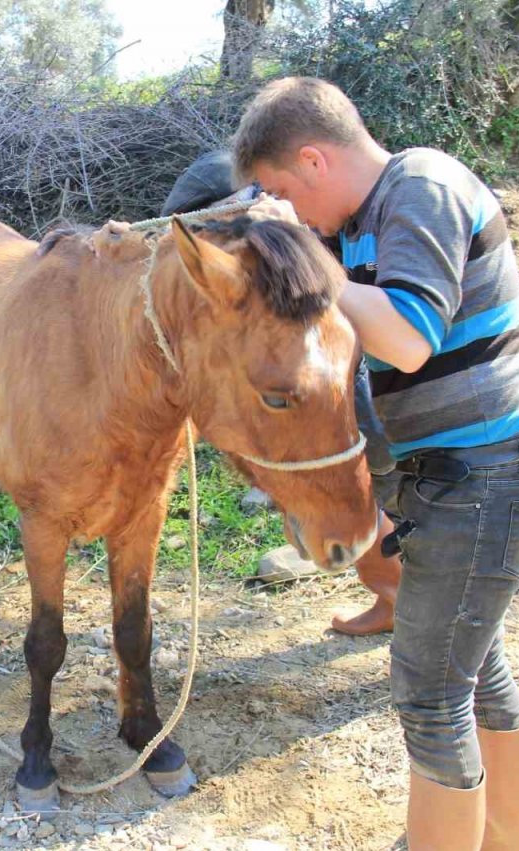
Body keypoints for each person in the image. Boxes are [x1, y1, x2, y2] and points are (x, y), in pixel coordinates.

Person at [233, 77, 519, 851]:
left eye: (286, 191)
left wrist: (316, 266)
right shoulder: (361, 225)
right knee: (474, 673)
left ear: (314, 160)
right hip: (466, 474)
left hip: (490, 470)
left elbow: (408, 336)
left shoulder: (420, 187)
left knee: (429, 691)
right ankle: (504, 842)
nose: (296, 213)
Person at [161, 149, 401, 636]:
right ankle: (395, 595)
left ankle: (398, 596)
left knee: (373, 478)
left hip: (328, 375)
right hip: (311, 372)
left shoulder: (293, 242)